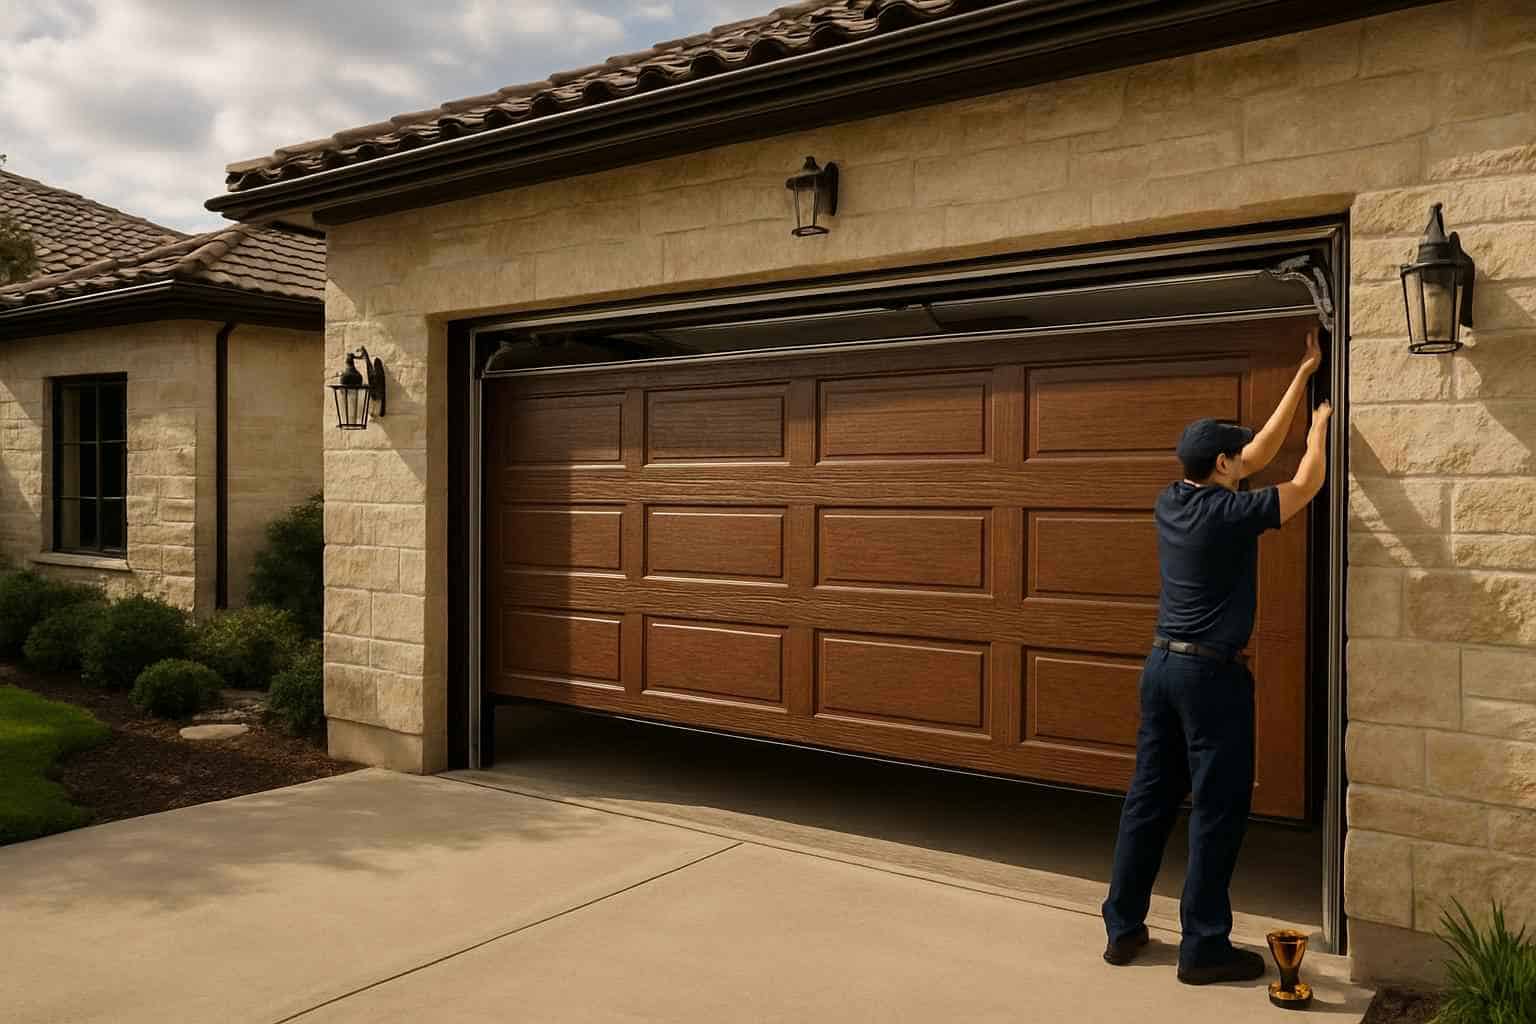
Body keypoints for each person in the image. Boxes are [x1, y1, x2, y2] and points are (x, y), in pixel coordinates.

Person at [1100, 330, 1332, 985]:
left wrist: (1303, 371)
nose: (1245, 460)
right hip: (1210, 678)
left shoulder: (1173, 500)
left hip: (1161, 670)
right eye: (1238, 458)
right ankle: (1203, 947)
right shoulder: (1231, 515)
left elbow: (1254, 451)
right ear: (1225, 467)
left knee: (1148, 801)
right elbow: (1305, 480)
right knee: (1218, 808)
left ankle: (1123, 928)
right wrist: (1320, 426)